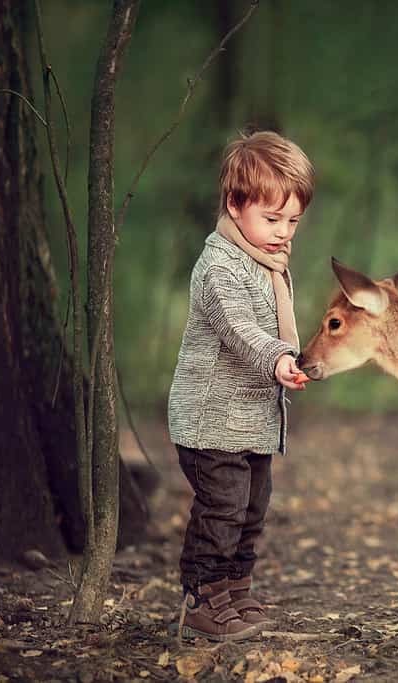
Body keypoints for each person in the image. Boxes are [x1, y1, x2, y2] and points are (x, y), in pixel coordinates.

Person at [167, 130, 314, 641]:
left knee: (252, 511)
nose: (283, 232)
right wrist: (278, 358)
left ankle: (235, 591)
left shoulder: (269, 263)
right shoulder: (218, 266)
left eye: (292, 220)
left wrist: (290, 361)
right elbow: (239, 328)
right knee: (222, 510)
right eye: (271, 219)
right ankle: (201, 599)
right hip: (212, 421)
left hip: (251, 423)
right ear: (234, 204)